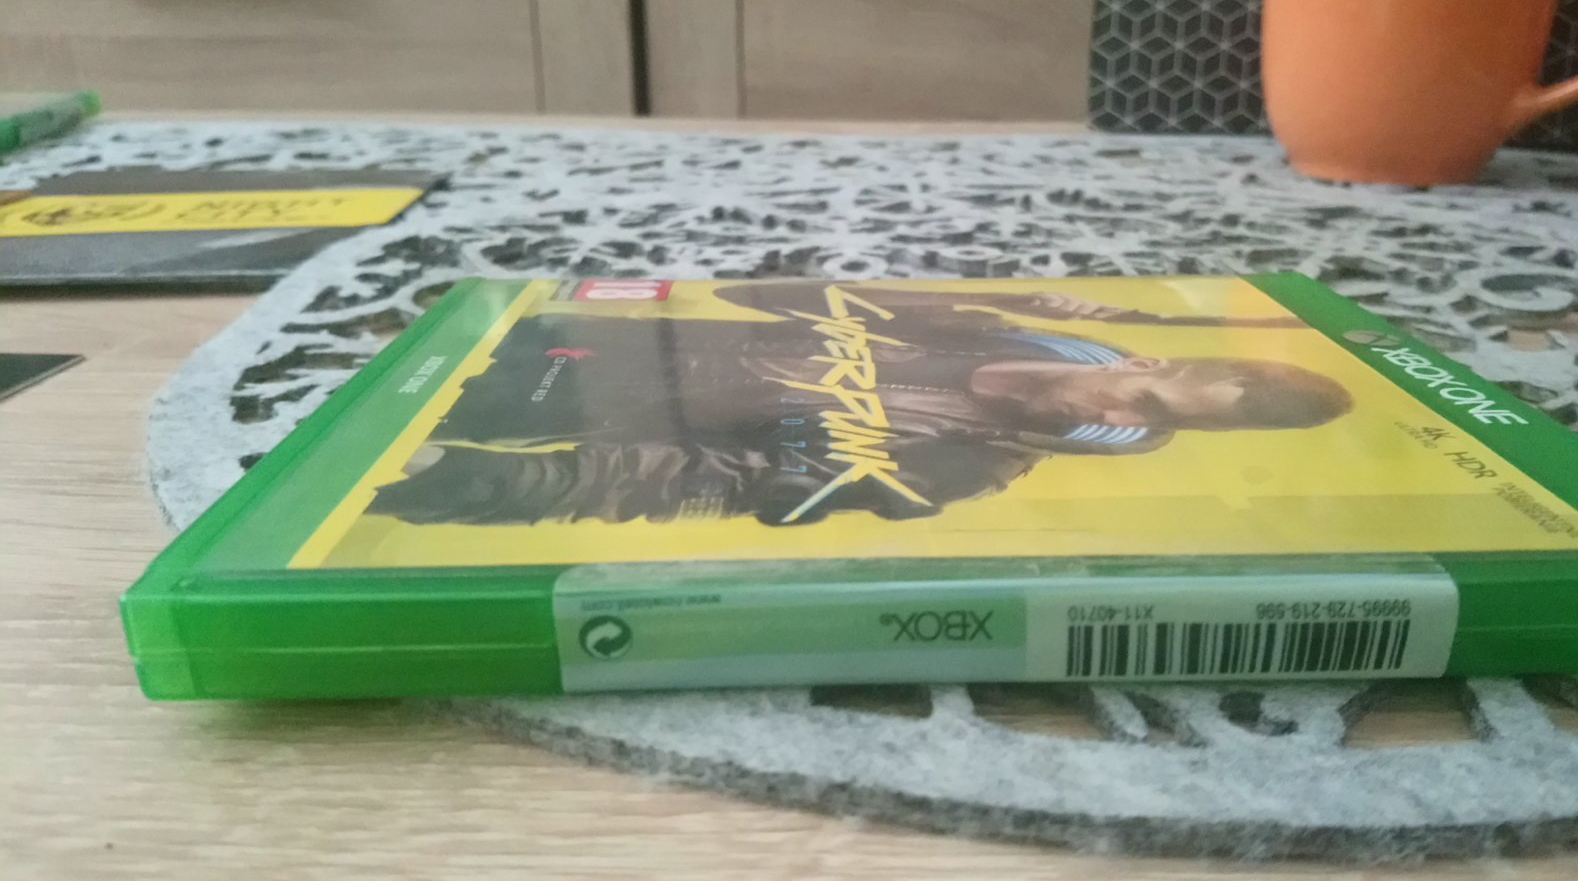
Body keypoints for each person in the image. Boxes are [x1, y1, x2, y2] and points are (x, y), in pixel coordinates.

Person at [369, 281, 1352, 527]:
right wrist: (1018, 298)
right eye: (1146, 395)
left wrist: (480, 483)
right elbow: (770, 290)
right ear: (1145, 358)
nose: (1128, 416)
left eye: (1159, 427)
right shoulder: (983, 320)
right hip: (567, 340)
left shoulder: (961, 469)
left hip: (538, 424)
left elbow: (714, 480)